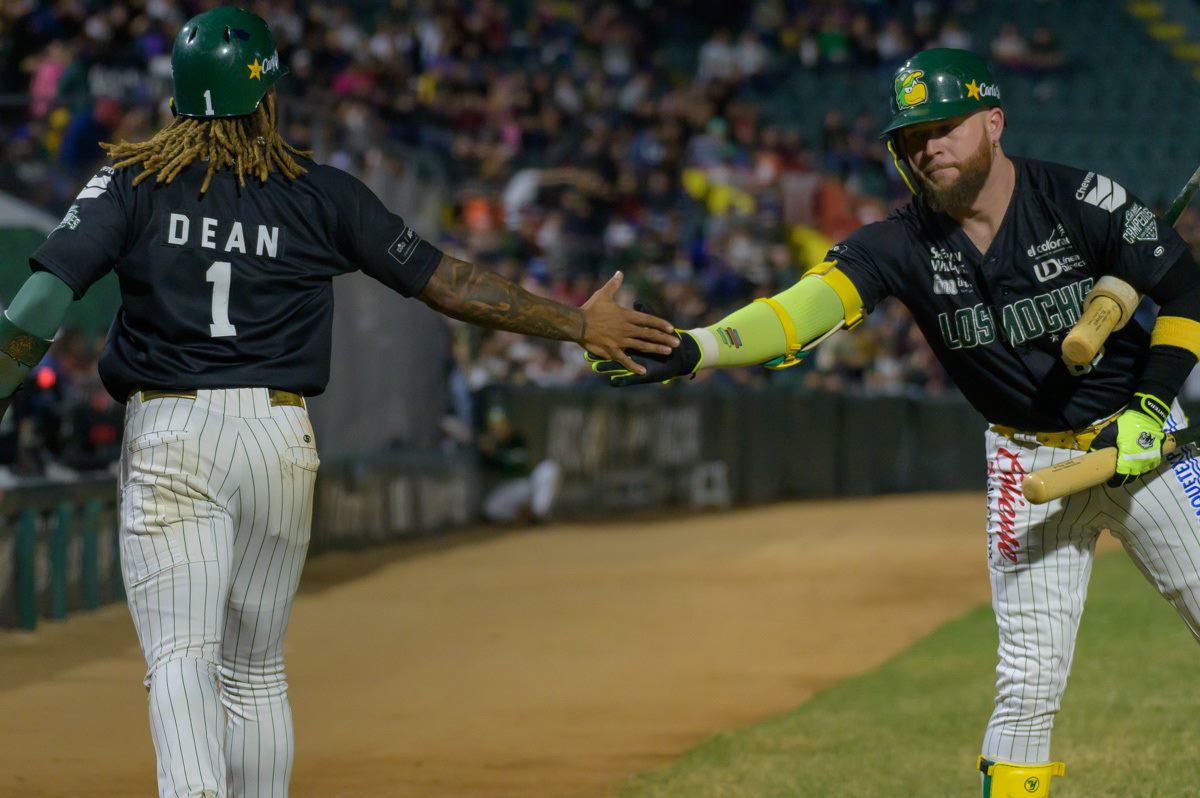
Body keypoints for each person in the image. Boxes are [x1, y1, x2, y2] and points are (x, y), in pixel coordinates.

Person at [0, 8, 676, 798]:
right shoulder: (319, 194)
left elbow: (41, 303)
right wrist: (576, 323)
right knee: (254, 671)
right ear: (269, 96)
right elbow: (447, 282)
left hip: (174, 430)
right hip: (278, 434)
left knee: (182, 658)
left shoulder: (132, 182)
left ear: (178, 96)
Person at [590, 48, 1200, 797]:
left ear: (994, 121)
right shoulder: (901, 244)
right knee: (1028, 682)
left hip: (1144, 443)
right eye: (912, 137)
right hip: (1024, 460)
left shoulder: (1082, 198)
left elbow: (1184, 287)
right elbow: (802, 309)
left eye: (944, 127)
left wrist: (1148, 404)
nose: (927, 147)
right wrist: (697, 349)